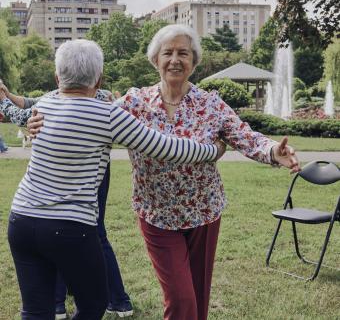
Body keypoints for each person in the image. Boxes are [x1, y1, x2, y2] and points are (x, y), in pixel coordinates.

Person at [27, 26, 300, 320]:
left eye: (183, 53)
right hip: (156, 216)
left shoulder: (211, 104)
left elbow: (246, 137)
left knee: (197, 297)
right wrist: (38, 122)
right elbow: (85, 115)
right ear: (155, 59)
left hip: (204, 213)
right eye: (167, 52)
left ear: (193, 62)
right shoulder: (134, 103)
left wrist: (273, 150)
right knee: (181, 298)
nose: (175, 59)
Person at [0, 39, 225, 320]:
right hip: (71, 227)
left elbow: (22, 114)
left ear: (57, 78)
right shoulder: (107, 114)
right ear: (99, 79)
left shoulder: (46, 103)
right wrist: (213, 149)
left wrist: (6, 99)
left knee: (35, 310)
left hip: (21, 220)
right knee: (94, 304)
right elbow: (169, 148)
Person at [0, 86, 133, 319]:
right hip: (74, 194)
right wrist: (7, 97)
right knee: (73, 233)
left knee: (76, 232)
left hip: (79, 183)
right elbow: (30, 103)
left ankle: (68, 302)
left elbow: (28, 109)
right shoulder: (61, 98)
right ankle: (72, 302)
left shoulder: (95, 100)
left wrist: (4, 101)